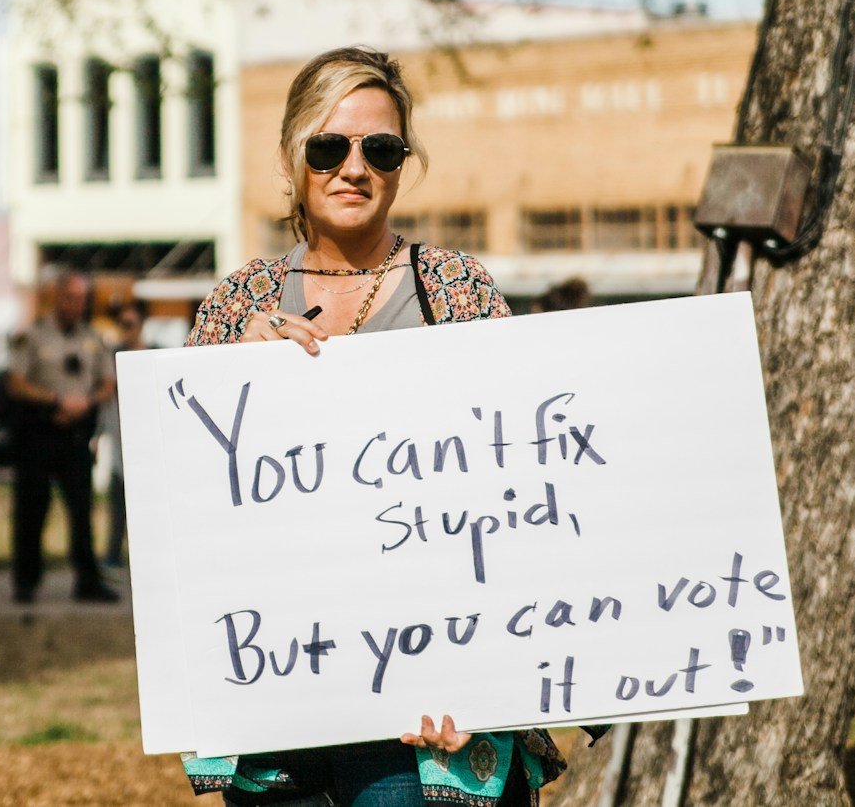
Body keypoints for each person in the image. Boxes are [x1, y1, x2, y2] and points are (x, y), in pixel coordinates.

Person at [180, 46, 600, 806]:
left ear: (402, 163)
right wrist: (222, 379)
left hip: (428, 719)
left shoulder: (454, 288)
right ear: (289, 158)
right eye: (328, 146)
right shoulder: (235, 304)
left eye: (380, 148)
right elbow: (187, 505)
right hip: (282, 710)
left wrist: (490, 677)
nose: (354, 167)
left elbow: (523, 498)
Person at [4, 271, 120, 604]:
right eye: (70, 297)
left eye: (82, 299)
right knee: (31, 511)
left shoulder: (92, 337)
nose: (76, 305)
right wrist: (56, 401)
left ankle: (87, 581)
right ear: (57, 297)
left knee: (82, 512)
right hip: (39, 432)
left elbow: (107, 382)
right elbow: (16, 383)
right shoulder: (34, 336)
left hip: (76, 434)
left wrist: (87, 402)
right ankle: (25, 582)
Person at [96, 297, 147, 569]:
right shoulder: (112, 356)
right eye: (122, 324)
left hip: (147, 439)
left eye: (129, 323)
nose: (126, 329)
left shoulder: (154, 354)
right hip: (120, 437)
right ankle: (113, 555)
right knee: (118, 503)